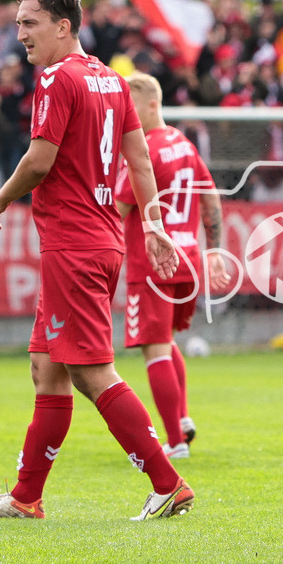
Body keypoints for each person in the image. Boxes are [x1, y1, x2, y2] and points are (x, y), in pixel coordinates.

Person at [0, 0, 193, 521]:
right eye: (18, 23)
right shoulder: (111, 80)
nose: (21, 34)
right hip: (100, 239)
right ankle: (26, 497)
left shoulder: (57, 78)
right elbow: (139, 160)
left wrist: (1, 196)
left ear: (63, 26)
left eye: (30, 23)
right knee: (47, 367)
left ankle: (168, 483)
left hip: (74, 243)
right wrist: (153, 225)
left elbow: (39, 161)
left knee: (91, 371)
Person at [115, 72, 230, 460]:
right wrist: (214, 251)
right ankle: (181, 419)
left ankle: (176, 443)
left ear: (152, 104)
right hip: (188, 258)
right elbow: (211, 198)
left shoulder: (143, 151)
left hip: (154, 263)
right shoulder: (183, 143)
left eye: (130, 107)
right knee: (165, 341)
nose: (125, 115)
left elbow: (118, 210)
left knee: (154, 349)